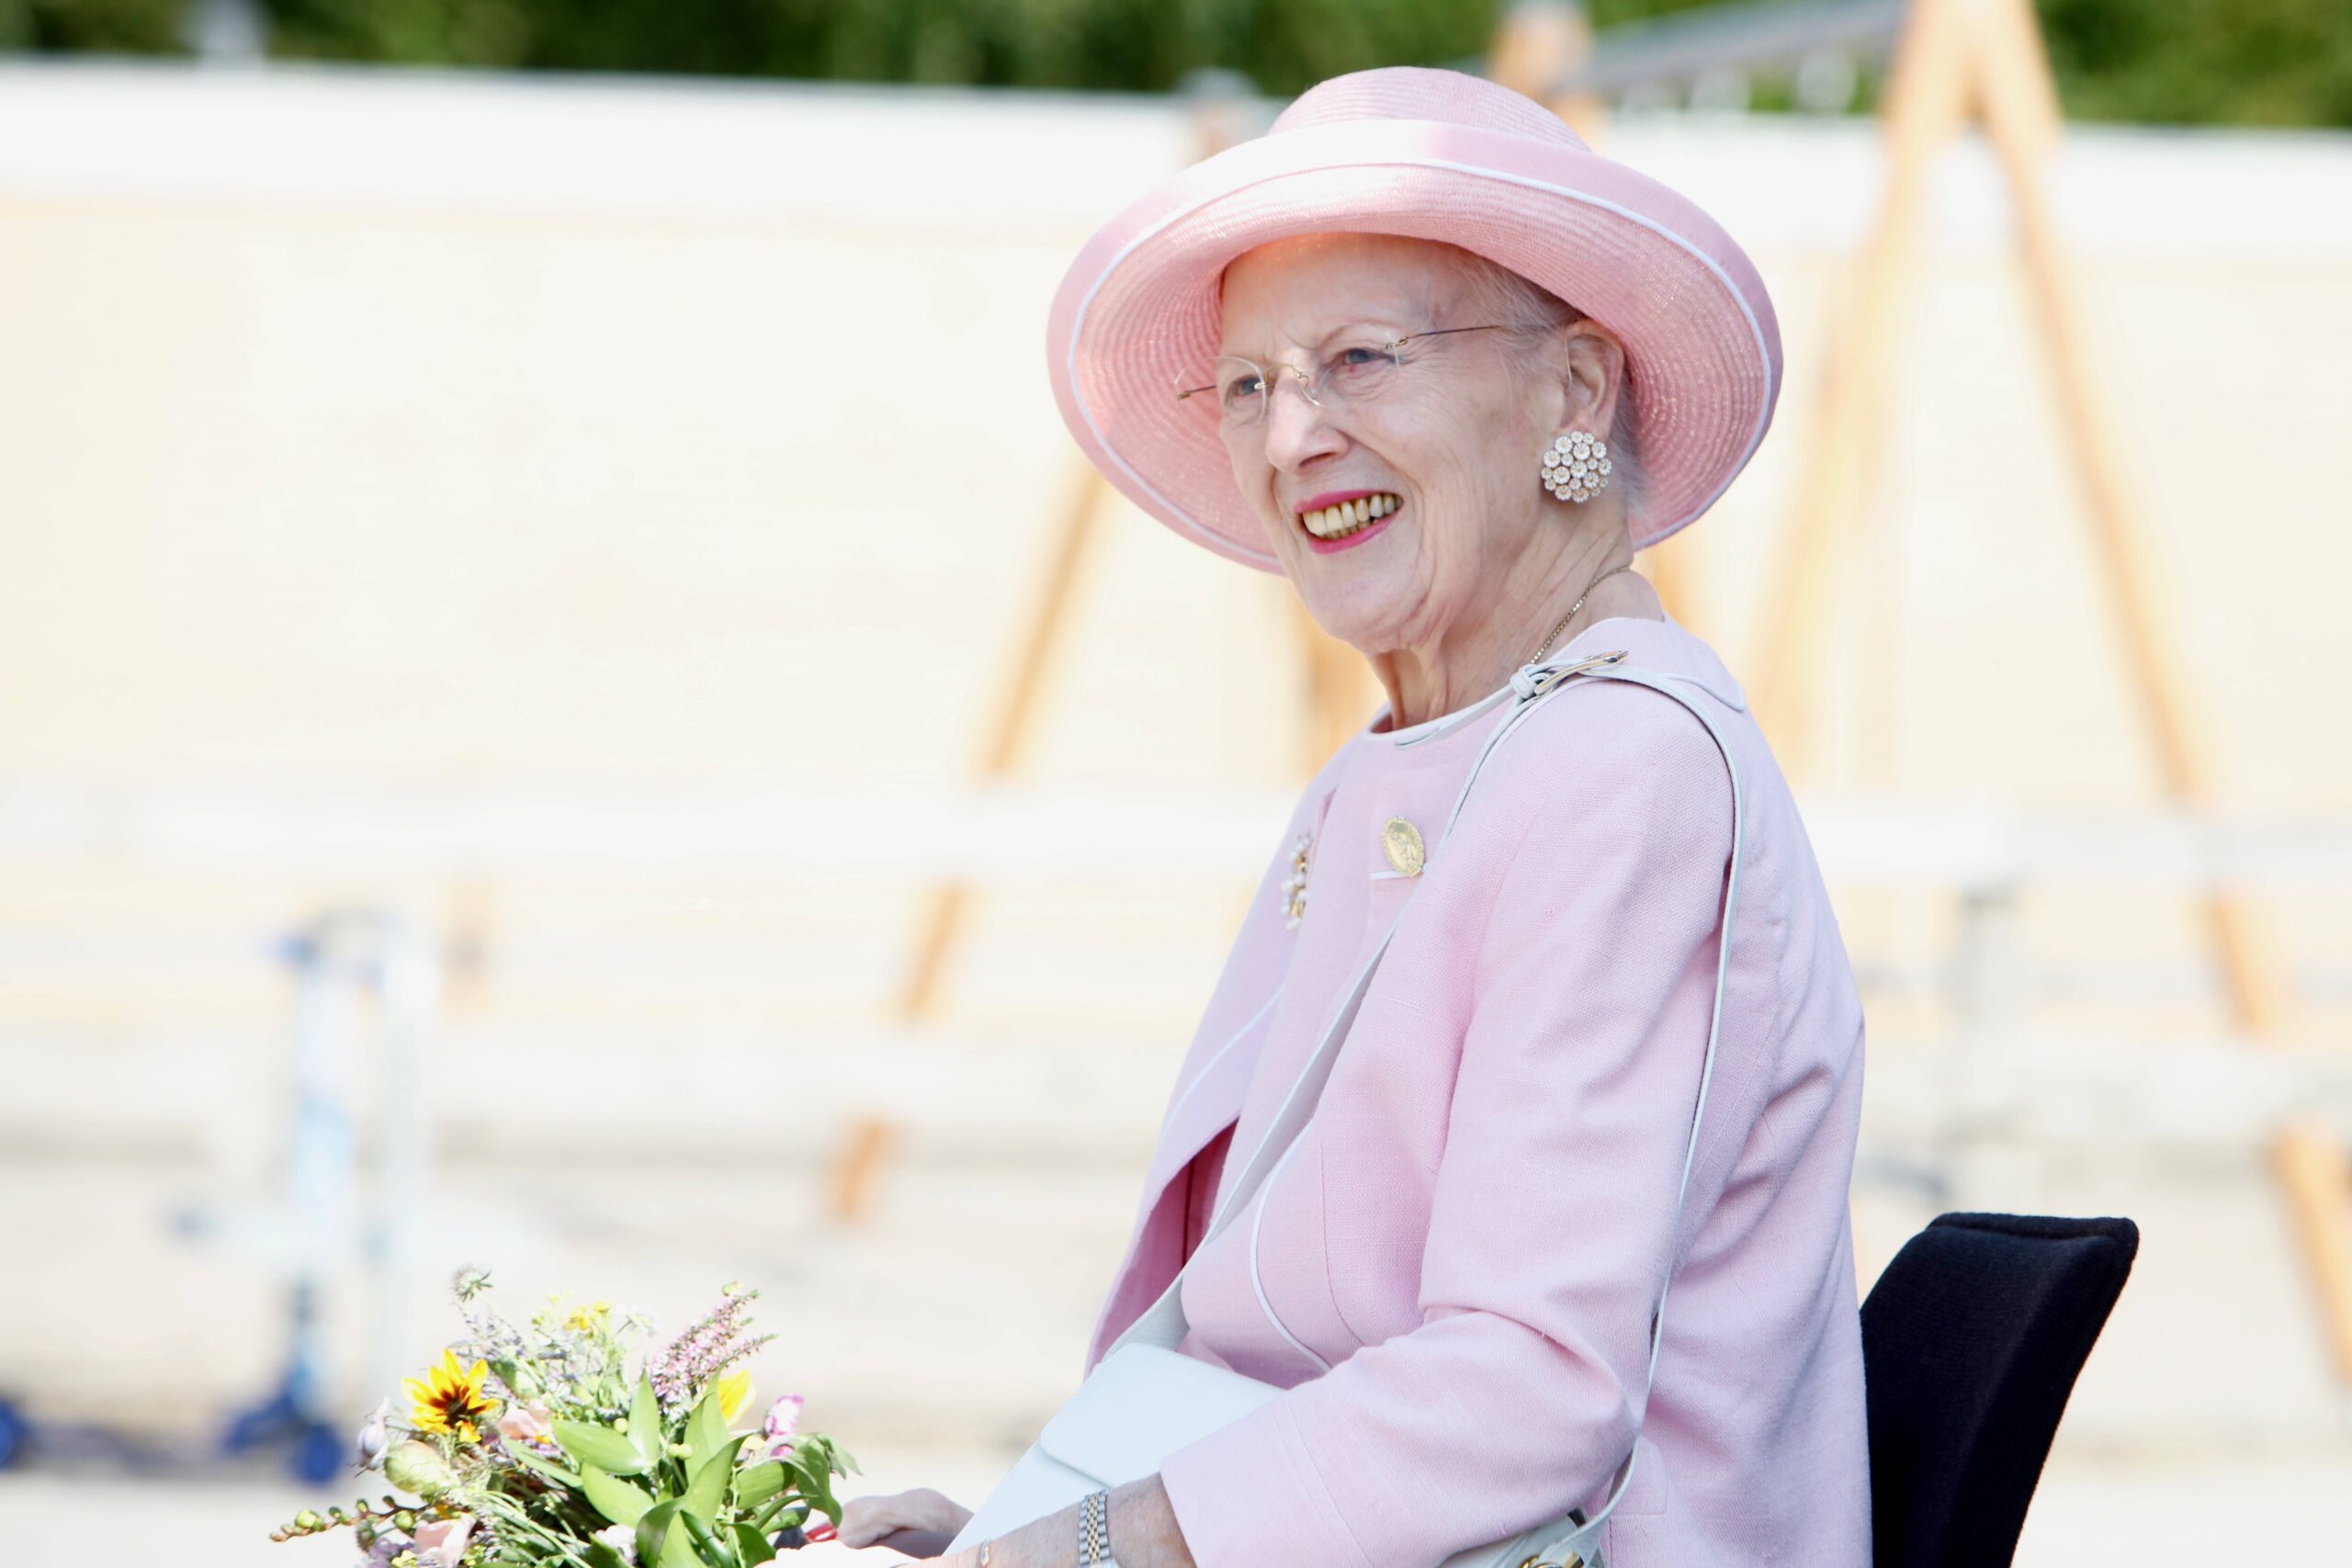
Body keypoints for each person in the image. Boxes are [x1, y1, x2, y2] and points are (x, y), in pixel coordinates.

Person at [840, 65, 1870, 1568]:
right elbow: (1280, 1339)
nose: (1287, 435)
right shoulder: (1405, 762)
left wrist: (1092, 1554)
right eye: (1249, 383)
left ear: (1575, 389)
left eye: (1362, 358)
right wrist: (1033, 1527)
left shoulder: (1621, 762)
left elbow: (1530, 1388)